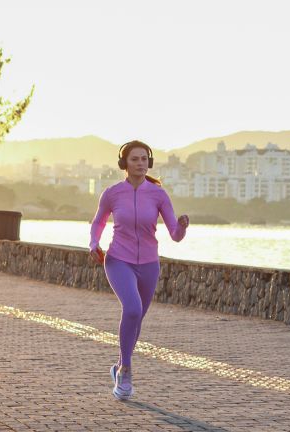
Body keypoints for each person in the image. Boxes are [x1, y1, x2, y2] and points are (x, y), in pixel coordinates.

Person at [89, 140, 190, 400]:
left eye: (144, 159)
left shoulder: (158, 195)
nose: (140, 163)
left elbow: (175, 235)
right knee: (132, 308)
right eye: (135, 159)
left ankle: (120, 364)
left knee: (137, 319)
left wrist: (182, 227)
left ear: (150, 162)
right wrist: (93, 243)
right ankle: (126, 371)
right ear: (124, 164)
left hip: (148, 264)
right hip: (117, 260)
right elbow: (99, 221)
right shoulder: (112, 193)